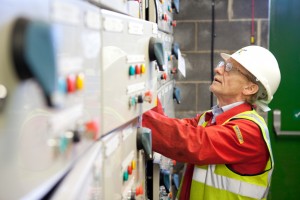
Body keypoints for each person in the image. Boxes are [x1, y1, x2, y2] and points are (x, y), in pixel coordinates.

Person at [142, 45, 281, 200]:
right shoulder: (211, 118)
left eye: (230, 68)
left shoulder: (249, 131)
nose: (218, 70)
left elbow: (192, 143)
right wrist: (145, 96)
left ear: (250, 88)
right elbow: (171, 130)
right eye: (223, 65)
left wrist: (134, 118)